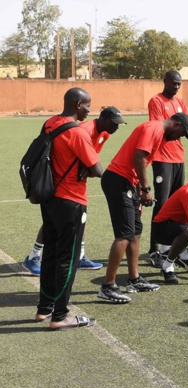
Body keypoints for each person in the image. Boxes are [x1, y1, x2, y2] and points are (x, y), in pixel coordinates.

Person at [98, 113, 188, 303]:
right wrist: (145, 189)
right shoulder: (155, 128)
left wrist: (138, 194)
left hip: (128, 183)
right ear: (176, 124)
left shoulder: (158, 133)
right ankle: (108, 286)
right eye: (182, 133)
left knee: (135, 230)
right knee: (124, 234)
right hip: (117, 181)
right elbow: (139, 157)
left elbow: (138, 164)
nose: (179, 138)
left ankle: (134, 279)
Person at [22, 107, 126, 275]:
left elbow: (90, 157)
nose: (117, 127)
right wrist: (88, 167)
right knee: (56, 220)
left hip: (77, 183)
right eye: (114, 123)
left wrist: (87, 167)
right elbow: (88, 165)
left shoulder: (104, 134)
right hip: (63, 182)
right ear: (104, 120)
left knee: (80, 218)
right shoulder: (83, 130)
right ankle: (34, 255)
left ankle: (80, 256)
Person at [35, 87, 102, 330]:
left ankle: (44, 308)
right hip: (72, 200)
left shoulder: (49, 123)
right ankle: (60, 316)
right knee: (68, 259)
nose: (89, 110)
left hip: (49, 197)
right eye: (87, 105)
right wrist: (87, 168)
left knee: (51, 254)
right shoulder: (77, 132)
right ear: (77, 104)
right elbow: (97, 169)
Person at [147, 70, 188, 258]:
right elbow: (159, 129)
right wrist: (178, 129)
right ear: (165, 81)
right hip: (162, 158)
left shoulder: (181, 103)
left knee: (176, 204)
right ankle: (154, 248)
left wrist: (180, 129)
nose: (177, 86)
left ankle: (168, 247)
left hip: (179, 158)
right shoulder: (156, 101)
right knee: (162, 204)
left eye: (179, 84)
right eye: (174, 83)